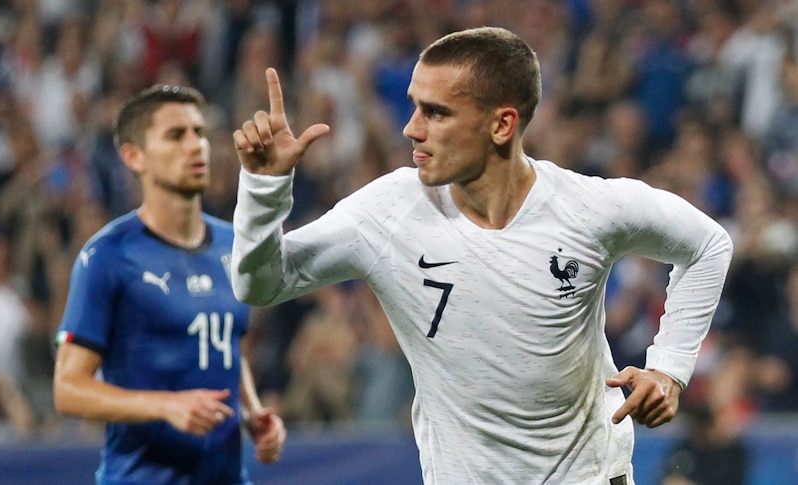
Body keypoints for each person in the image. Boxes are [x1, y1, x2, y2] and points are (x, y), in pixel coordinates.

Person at [231, 26, 733, 484]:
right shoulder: (387, 211)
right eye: (413, 106)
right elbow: (261, 284)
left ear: (501, 125)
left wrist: (668, 368)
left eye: (436, 112)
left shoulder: (589, 208)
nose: (411, 128)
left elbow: (708, 245)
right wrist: (264, 189)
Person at [52, 85, 286, 485]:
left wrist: (253, 412)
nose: (196, 146)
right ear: (134, 156)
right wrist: (165, 406)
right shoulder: (108, 256)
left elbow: (226, 345)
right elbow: (68, 388)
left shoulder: (235, 244)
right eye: (176, 136)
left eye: (199, 133)